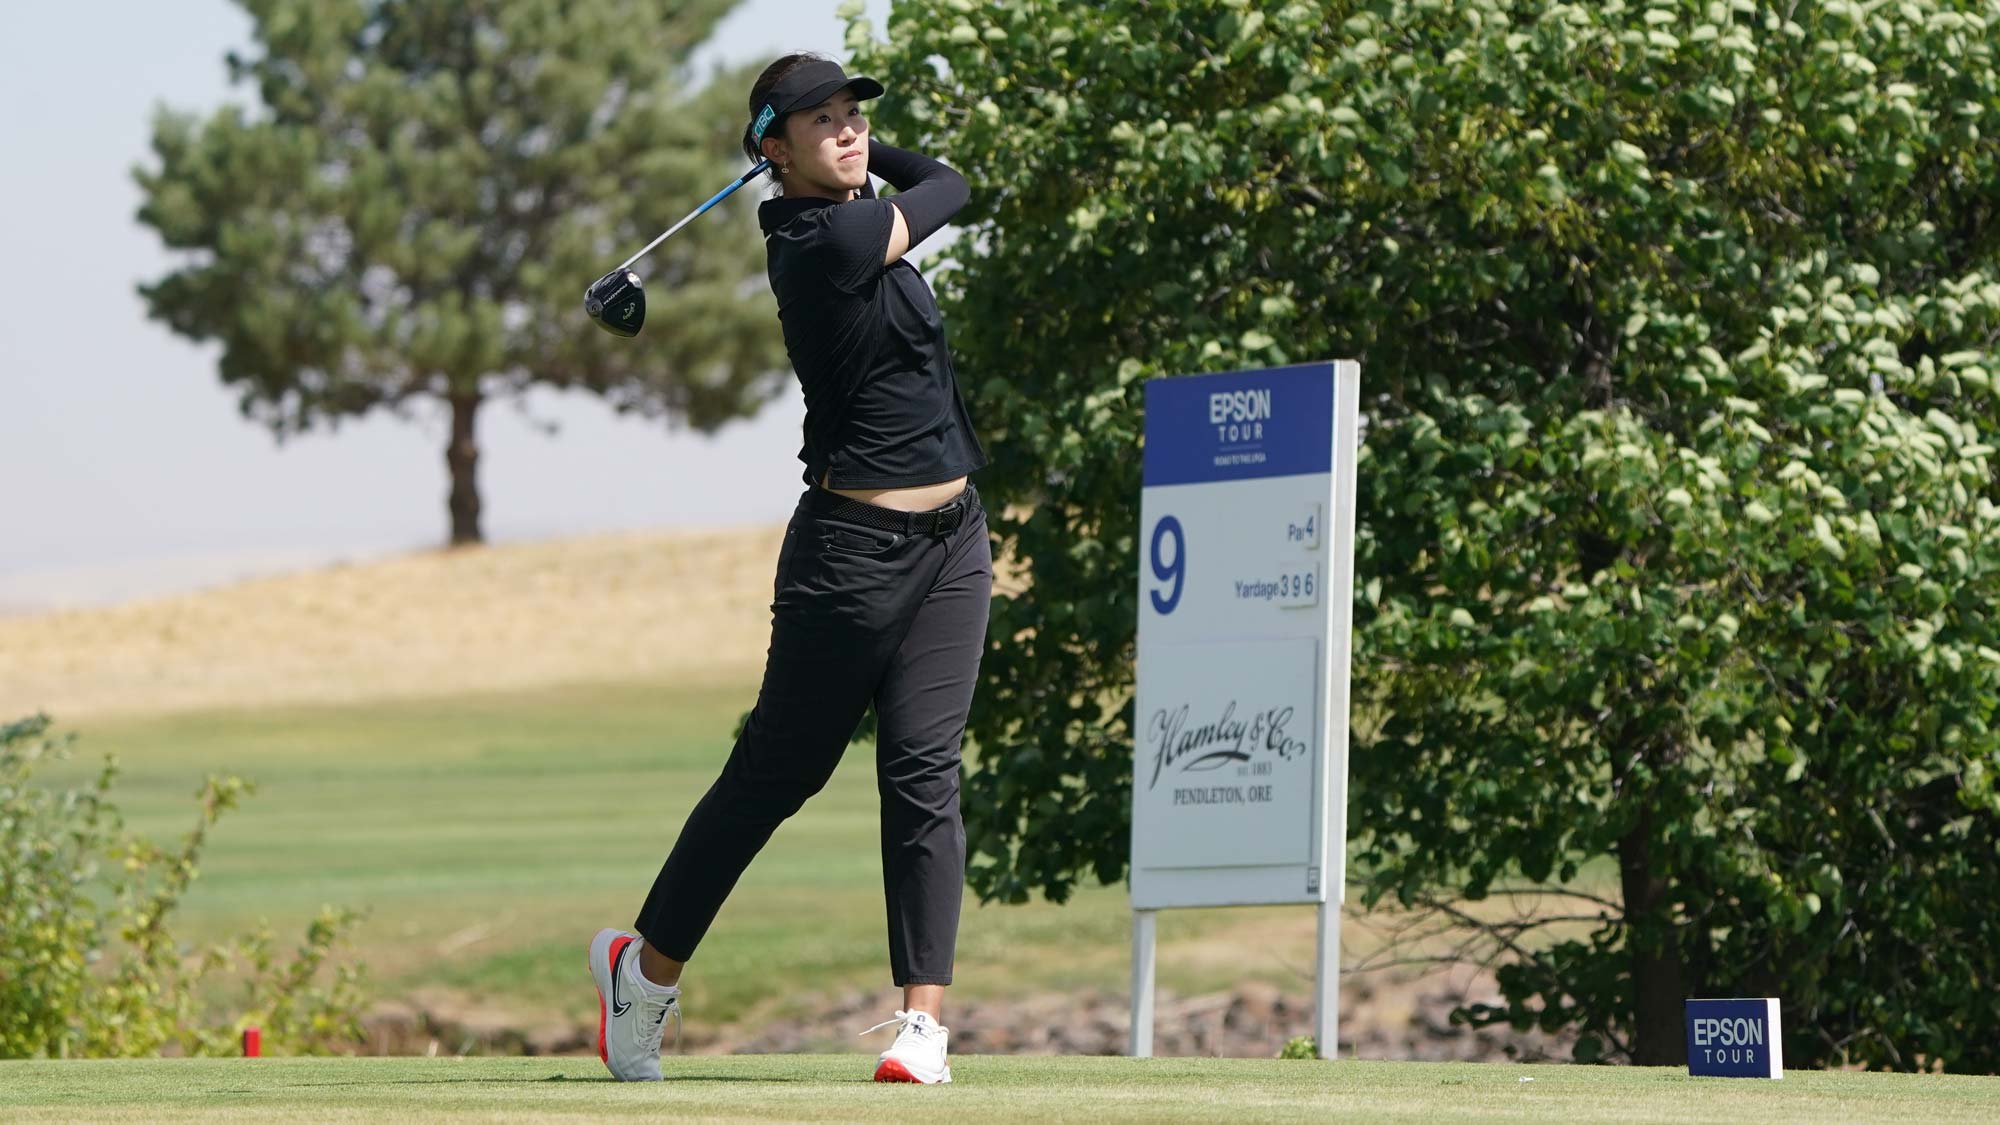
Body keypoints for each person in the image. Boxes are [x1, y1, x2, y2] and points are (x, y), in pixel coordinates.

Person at [587, 52, 990, 1085]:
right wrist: (817, 163)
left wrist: (818, 145)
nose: (852, 132)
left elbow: (921, 174)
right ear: (774, 147)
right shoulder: (823, 239)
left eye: (856, 116)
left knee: (922, 773)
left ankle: (922, 1032)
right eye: (823, 122)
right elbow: (949, 183)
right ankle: (645, 975)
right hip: (847, 558)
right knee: (778, 772)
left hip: (952, 541)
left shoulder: (846, 204)